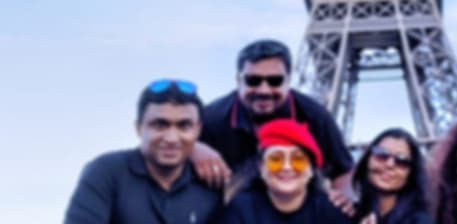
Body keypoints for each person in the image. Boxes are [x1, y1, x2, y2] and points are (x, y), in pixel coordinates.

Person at [193, 39, 353, 200]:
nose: (264, 90)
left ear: (289, 81)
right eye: (253, 81)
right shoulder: (211, 118)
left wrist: (343, 203)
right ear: (238, 80)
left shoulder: (316, 117)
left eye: (275, 81)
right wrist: (193, 147)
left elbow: (343, 170)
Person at [65, 79, 221, 223]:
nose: (172, 138)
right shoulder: (105, 172)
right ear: (138, 128)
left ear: (198, 130)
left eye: (184, 126)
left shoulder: (211, 185)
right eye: (160, 125)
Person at [220, 119, 350, 223]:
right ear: (261, 168)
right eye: (276, 159)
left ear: (311, 170)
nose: (287, 167)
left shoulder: (331, 212)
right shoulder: (240, 209)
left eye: (298, 159)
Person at [352, 128, 434, 224]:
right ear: (367, 160)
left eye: (402, 161)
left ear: (411, 174)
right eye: (381, 154)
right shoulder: (349, 212)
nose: (390, 164)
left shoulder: (420, 220)